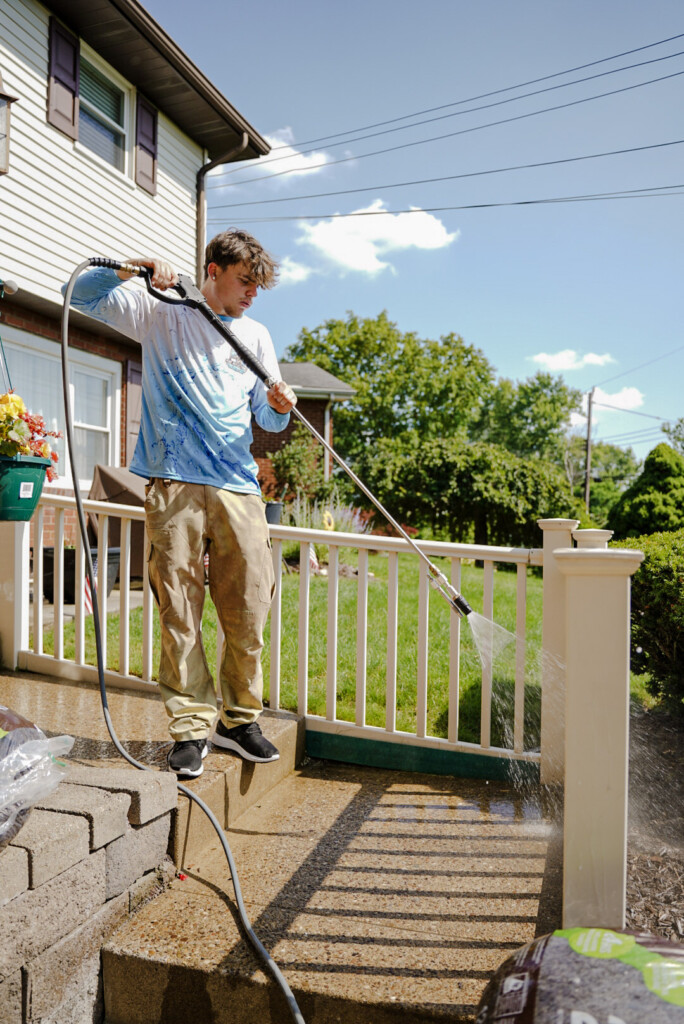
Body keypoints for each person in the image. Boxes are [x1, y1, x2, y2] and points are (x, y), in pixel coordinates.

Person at [66, 229, 296, 778]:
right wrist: (131, 268)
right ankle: (191, 729)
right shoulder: (162, 311)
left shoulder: (257, 334)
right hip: (171, 480)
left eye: (258, 286)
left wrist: (280, 407)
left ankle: (239, 722)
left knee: (248, 607)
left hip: (238, 485)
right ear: (213, 270)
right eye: (245, 281)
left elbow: (266, 421)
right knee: (179, 608)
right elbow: (82, 294)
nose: (251, 294)